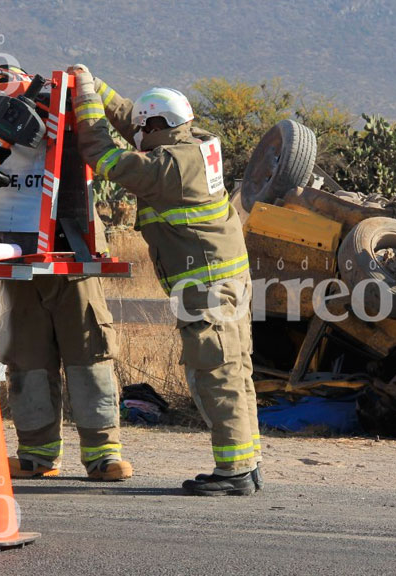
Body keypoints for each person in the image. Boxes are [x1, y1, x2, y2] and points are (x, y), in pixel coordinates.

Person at [68, 63, 262, 496]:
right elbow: (131, 121)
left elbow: (103, 155)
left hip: (207, 288)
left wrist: (83, 102)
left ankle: (233, 474)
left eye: (143, 128)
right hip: (227, 280)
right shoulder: (195, 144)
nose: (138, 135)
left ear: (157, 126)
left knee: (216, 375)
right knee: (236, 370)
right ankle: (247, 465)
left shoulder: (168, 167)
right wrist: (92, 82)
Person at [0, 218, 132, 482]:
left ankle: (103, 455)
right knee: (27, 358)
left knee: (88, 355)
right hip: (17, 253)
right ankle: (36, 454)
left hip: (74, 250)